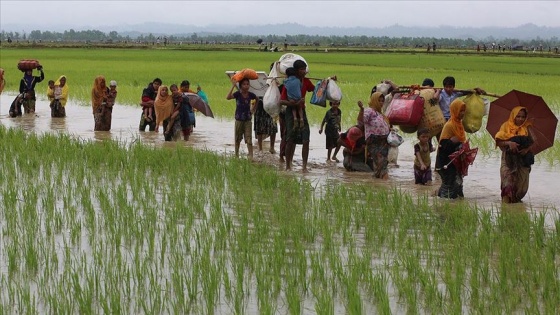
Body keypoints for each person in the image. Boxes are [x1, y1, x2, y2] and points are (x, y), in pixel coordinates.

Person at [280, 59, 316, 172]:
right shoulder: (289, 83)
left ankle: (304, 166)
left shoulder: (306, 82)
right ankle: (288, 166)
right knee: (290, 139)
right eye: (301, 69)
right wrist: (291, 103)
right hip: (290, 112)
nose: (304, 71)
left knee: (306, 139)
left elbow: (316, 89)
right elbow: (281, 101)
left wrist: (328, 81)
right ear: (296, 71)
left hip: (302, 111)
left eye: (305, 69)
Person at [494, 106, 534, 203]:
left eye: (523, 117)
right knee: (507, 184)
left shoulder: (526, 128)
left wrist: (526, 149)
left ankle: (515, 207)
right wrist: (509, 143)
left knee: (522, 188)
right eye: (518, 116)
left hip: (522, 159)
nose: (520, 119)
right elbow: (498, 142)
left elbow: (533, 142)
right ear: (513, 116)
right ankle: (506, 209)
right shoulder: (505, 126)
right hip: (508, 158)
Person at [435, 99, 467, 199]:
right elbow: (443, 146)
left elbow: (460, 141)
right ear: (455, 110)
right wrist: (453, 142)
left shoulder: (460, 125)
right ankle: (443, 207)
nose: (462, 113)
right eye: (460, 110)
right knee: (449, 185)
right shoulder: (449, 126)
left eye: (463, 111)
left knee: (456, 185)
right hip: (446, 162)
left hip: (455, 161)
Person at [358, 92, 391, 179]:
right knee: (381, 162)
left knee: (381, 163)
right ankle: (385, 184)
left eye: (382, 101)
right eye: (379, 100)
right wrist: (361, 109)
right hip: (374, 142)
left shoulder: (380, 113)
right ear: (374, 100)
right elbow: (362, 121)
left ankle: (376, 184)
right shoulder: (369, 111)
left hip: (384, 142)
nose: (381, 103)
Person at [227, 78, 257, 160]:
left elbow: (257, 99)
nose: (246, 86)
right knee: (237, 138)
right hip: (239, 120)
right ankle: (236, 155)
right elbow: (228, 97)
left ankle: (251, 155)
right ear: (240, 86)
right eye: (244, 84)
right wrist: (233, 85)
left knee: (249, 138)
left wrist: (253, 108)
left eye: (247, 84)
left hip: (248, 120)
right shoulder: (238, 94)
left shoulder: (251, 95)